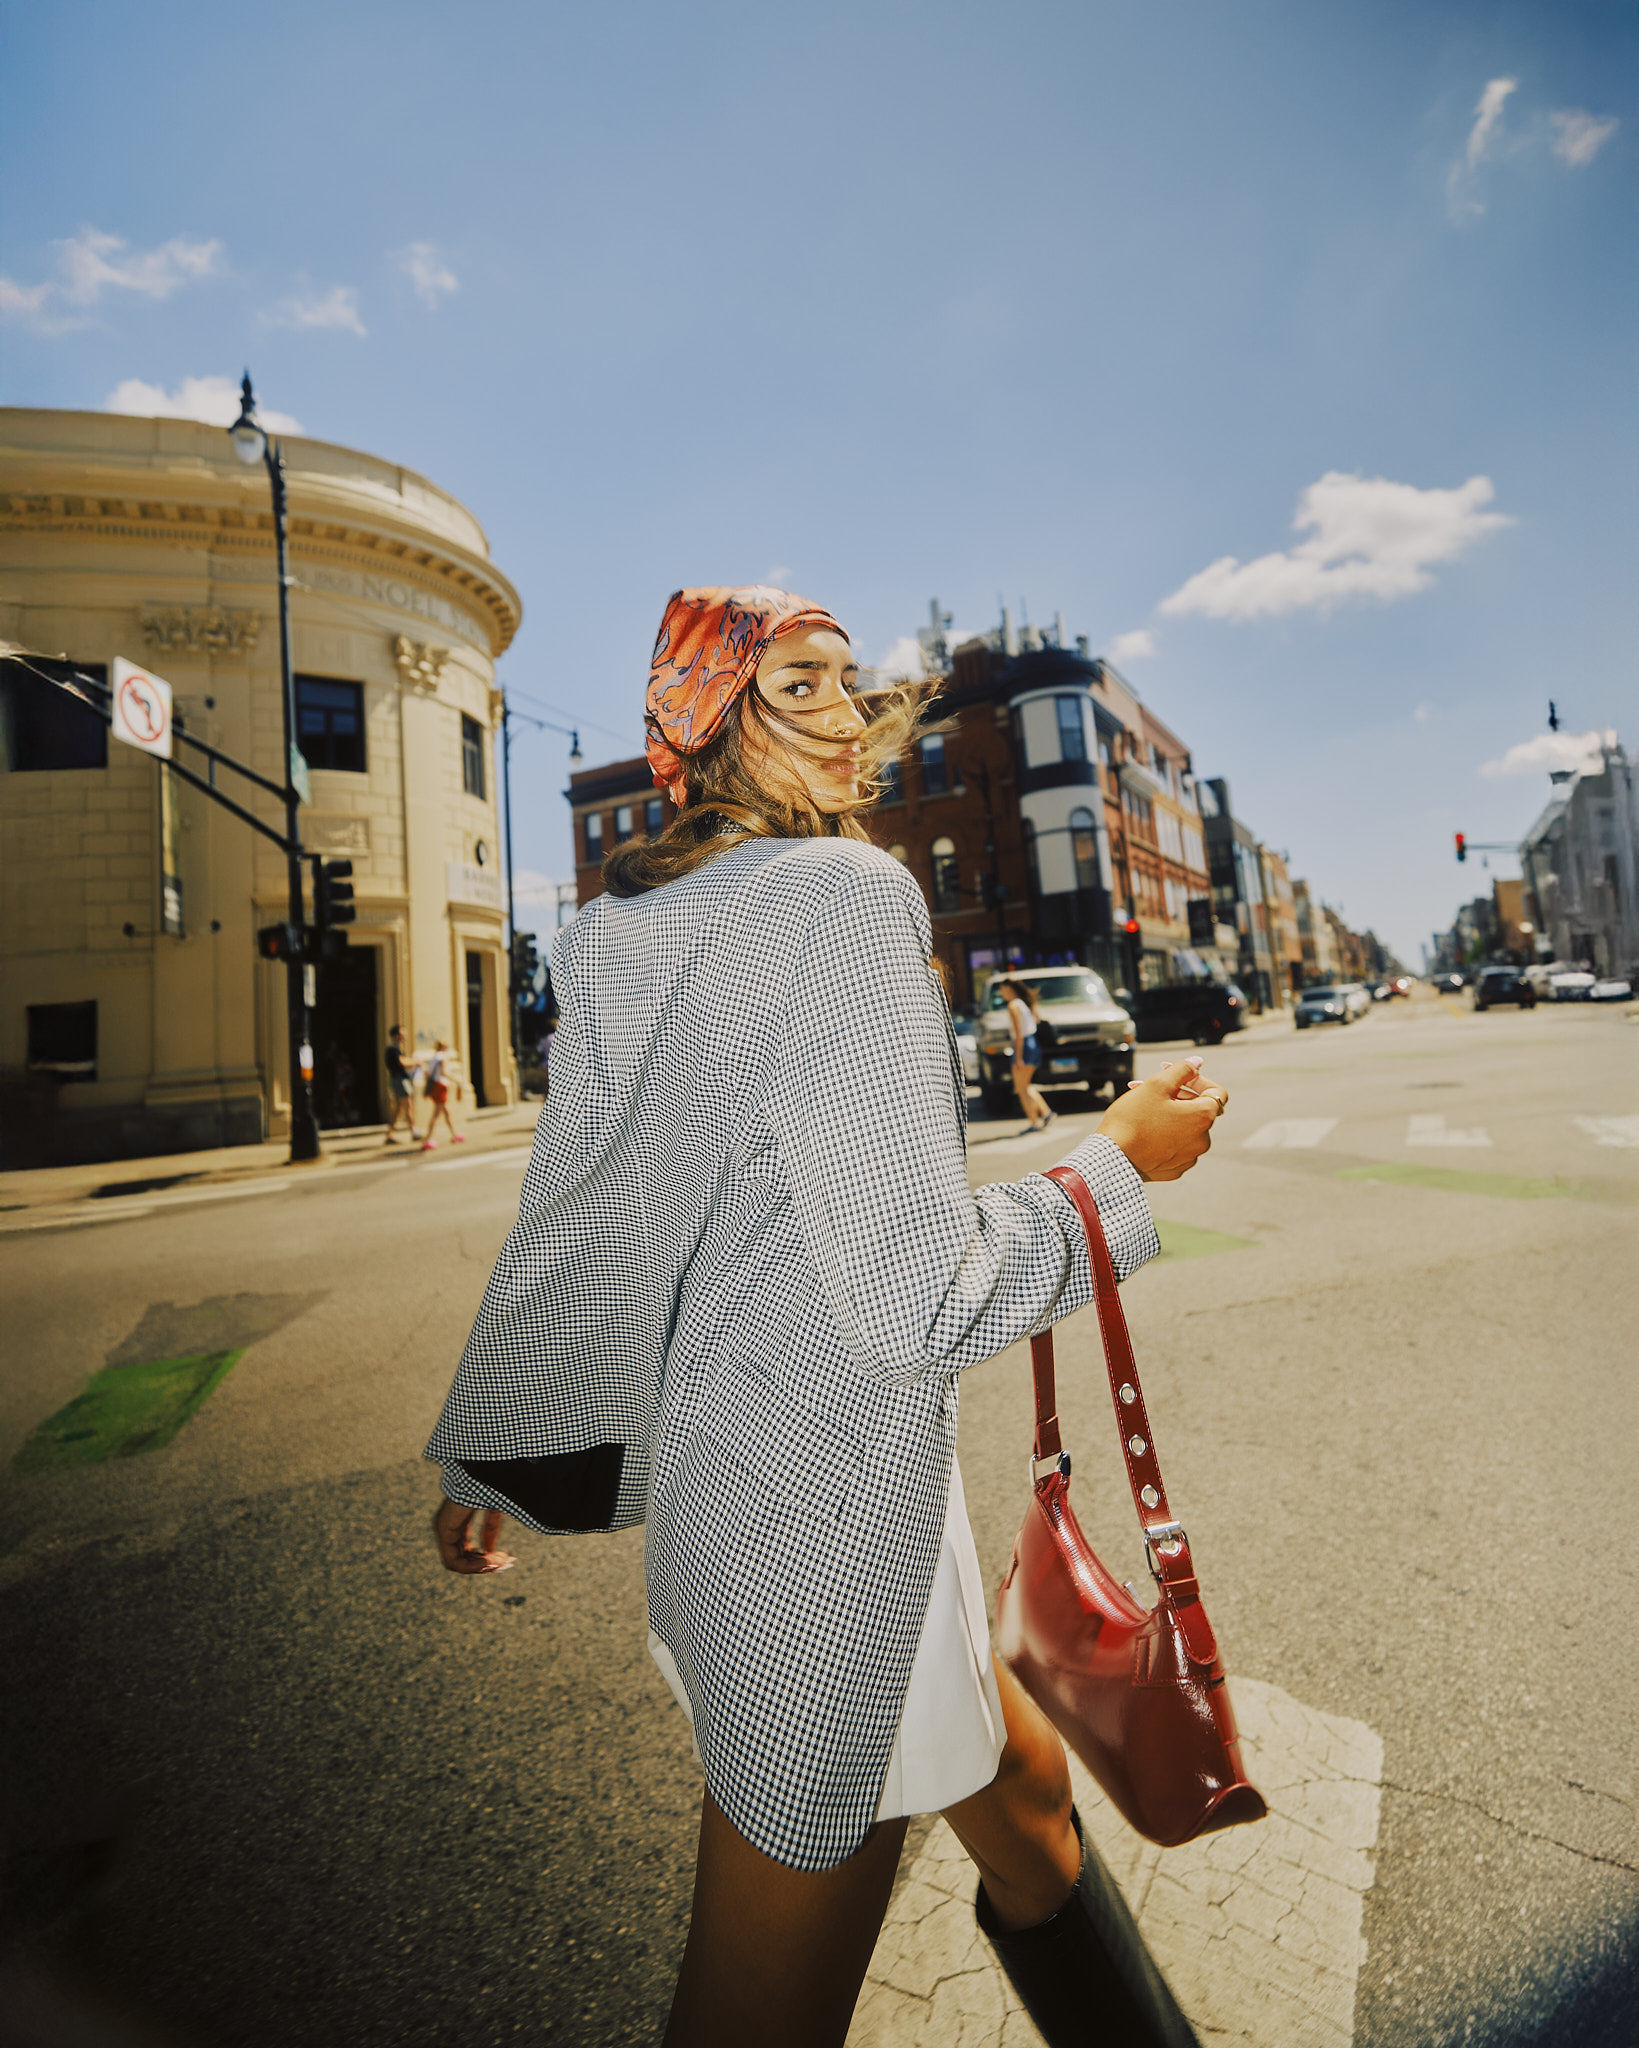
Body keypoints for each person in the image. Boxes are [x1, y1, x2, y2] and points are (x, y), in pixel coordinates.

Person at [425, 586, 1229, 2048]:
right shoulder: (846, 897)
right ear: (706, 715)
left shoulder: (619, 928)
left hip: (745, 1495)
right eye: (799, 680)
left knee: (1022, 1799)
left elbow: (591, 1212)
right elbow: (920, 1291)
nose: (850, 715)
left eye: (851, 683)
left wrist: (503, 1442)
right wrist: (1120, 1167)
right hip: (823, 1534)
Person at [998, 975, 1054, 1132]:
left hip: (1024, 1046)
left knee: (1020, 1088)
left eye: (1002, 990)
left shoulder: (1013, 1006)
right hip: (1034, 1045)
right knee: (1025, 1085)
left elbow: (1018, 1033)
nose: (1002, 993)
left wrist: (1018, 1057)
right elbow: (1036, 1021)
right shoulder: (1024, 1004)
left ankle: (1035, 1122)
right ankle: (1045, 1112)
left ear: (1008, 989)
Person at [418, 1040, 465, 1151]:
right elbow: (444, 1072)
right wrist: (456, 1079)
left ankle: (454, 1134)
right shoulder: (442, 1057)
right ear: (443, 1048)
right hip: (440, 1086)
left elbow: (427, 1073)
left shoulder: (433, 1058)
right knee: (436, 1114)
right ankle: (427, 1140)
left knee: (446, 1112)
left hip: (435, 1087)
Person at [383, 1026, 417, 1143]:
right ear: (396, 1035)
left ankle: (390, 1135)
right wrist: (416, 1062)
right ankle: (414, 1132)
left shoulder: (393, 1049)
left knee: (398, 1108)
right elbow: (403, 1062)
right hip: (400, 1080)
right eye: (403, 1033)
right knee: (408, 1105)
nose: (405, 1035)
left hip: (397, 1079)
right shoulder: (393, 1049)